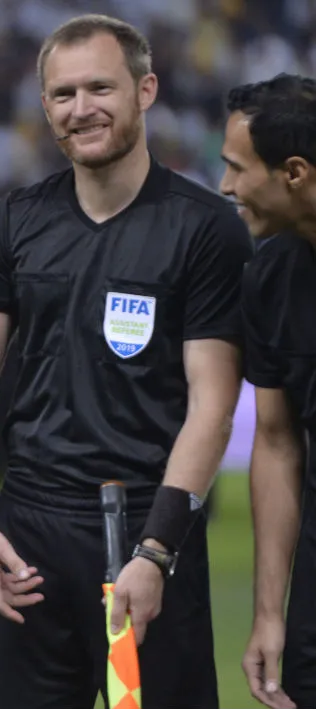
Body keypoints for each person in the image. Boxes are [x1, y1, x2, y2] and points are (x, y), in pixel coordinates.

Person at [0, 14, 252, 709]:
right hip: (30, 540)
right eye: (62, 94)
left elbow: (214, 406)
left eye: (99, 88)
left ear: (146, 89)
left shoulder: (205, 230)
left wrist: (156, 550)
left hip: (147, 531)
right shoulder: (13, 224)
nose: (81, 109)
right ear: (46, 106)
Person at [221, 73, 316, 709]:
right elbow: (278, 442)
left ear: (294, 173)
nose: (226, 188)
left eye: (236, 168)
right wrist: (269, 614)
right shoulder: (272, 275)